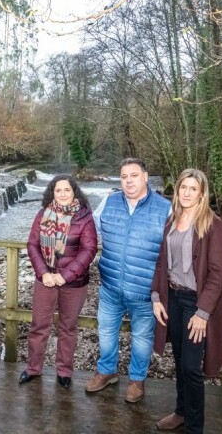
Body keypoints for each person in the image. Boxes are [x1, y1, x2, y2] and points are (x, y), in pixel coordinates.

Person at [151, 168, 222, 434]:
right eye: (183, 187)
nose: (186, 193)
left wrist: (202, 313)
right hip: (172, 297)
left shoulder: (213, 225)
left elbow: (218, 274)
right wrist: (156, 296)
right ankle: (181, 412)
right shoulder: (171, 219)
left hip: (196, 303)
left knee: (191, 367)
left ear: (202, 192)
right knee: (178, 360)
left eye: (192, 188)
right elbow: (161, 262)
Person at [86, 157, 171, 403]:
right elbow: (89, 228)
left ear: (145, 177)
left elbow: (177, 246)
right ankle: (107, 371)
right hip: (111, 285)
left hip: (146, 292)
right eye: (124, 176)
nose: (129, 181)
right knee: (106, 331)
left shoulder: (165, 208)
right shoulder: (109, 202)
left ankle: (137, 380)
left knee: (143, 338)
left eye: (134, 175)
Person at [20, 175, 97, 389]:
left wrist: (65, 275)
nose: (62, 194)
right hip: (45, 280)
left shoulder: (84, 217)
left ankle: (64, 371)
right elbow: (33, 245)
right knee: (39, 326)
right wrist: (44, 272)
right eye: (58, 190)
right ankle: (33, 368)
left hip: (74, 283)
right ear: (52, 193)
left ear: (75, 193)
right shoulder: (43, 214)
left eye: (67, 190)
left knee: (68, 327)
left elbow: (88, 250)